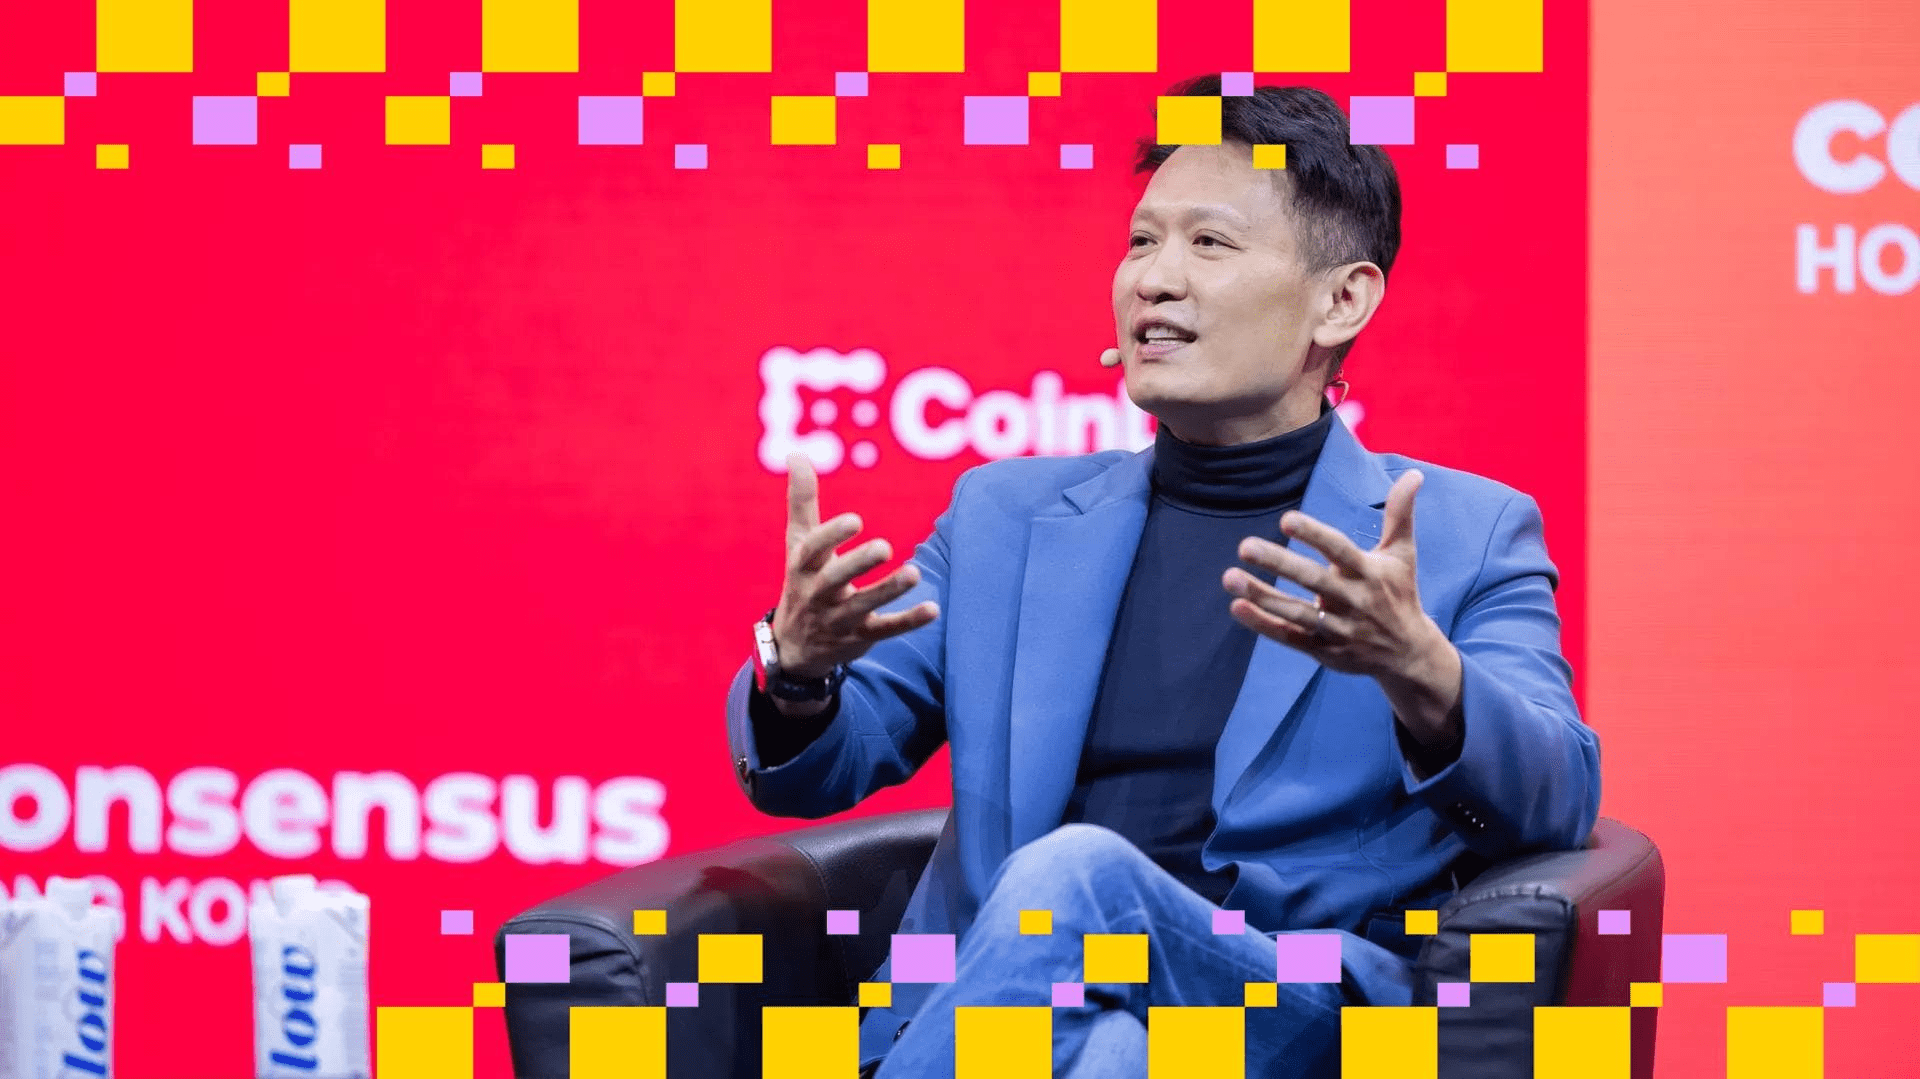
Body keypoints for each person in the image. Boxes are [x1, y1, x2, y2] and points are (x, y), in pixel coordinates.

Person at [726, 74, 1601, 1078]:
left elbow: (1560, 798)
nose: (1154, 277)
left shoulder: (1462, 532)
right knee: (1107, 1054)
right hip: (1037, 1018)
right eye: (1142, 240)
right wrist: (798, 673)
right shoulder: (1006, 518)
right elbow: (824, 767)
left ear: (1342, 299)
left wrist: (1420, 669)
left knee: (1077, 876)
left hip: (1276, 1014)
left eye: (1209, 243)